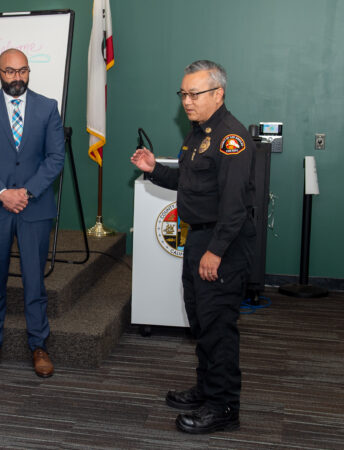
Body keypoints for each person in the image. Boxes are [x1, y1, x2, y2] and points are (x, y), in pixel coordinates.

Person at [130, 60, 255, 434]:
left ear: (218, 94)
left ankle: (223, 407)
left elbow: (235, 207)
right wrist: (154, 169)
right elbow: (189, 182)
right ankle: (207, 389)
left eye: (194, 93)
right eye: (182, 93)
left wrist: (214, 252)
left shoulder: (231, 139)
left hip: (222, 243)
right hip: (200, 237)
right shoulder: (199, 133)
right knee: (202, 321)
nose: (186, 100)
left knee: (218, 327)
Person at [0, 48, 65, 378]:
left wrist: (27, 192)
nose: (17, 77)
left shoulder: (48, 108)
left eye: (22, 71)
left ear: (28, 72)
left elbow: (55, 159)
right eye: (10, 71)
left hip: (34, 207)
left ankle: (39, 346)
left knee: (35, 281)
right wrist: (3, 194)